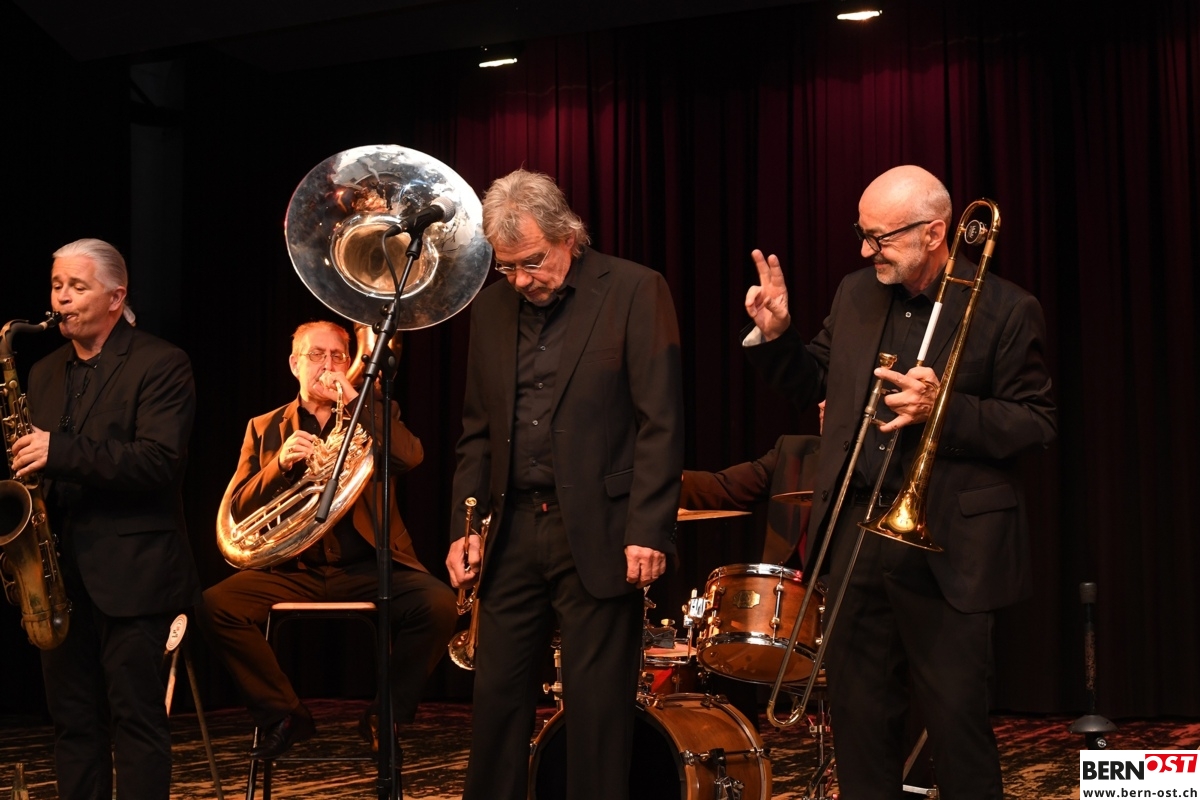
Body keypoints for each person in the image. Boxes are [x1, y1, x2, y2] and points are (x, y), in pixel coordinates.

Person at [741, 165, 1056, 799]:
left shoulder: (1007, 308)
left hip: (948, 546)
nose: (866, 251)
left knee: (956, 726)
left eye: (879, 238)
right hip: (857, 533)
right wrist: (777, 337)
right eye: (862, 234)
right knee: (859, 721)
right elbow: (817, 382)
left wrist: (944, 409)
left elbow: (1036, 422)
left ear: (934, 233)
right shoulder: (855, 293)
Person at [445, 169, 684, 800]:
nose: (522, 280)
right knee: (496, 705)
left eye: (533, 262)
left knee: (598, 711)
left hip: (603, 530)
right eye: (507, 268)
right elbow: (476, 432)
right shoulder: (491, 308)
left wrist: (648, 527)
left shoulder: (634, 289)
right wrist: (464, 530)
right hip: (512, 531)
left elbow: (660, 421)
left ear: (568, 236)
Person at [198, 321, 457, 761]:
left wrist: (357, 400)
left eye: (338, 356)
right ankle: (284, 714)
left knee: (438, 605)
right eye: (316, 355)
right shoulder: (264, 427)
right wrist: (279, 466)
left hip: (367, 566)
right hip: (292, 570)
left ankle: (385, 715)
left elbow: (410, 456)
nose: (328, 365)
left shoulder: (374, 412)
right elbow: (238, 506)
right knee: (215, 605)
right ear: (294, 364)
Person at [10, 237, 200, 800]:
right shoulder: (44, 371)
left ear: (116, 297)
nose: (62, 299)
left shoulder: (162, 363)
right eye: (56, 286)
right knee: (73, 726)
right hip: (58, 575)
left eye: (77, 287)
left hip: (134, 576)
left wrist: (59, 451)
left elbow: (159, 462)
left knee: (136, 724)